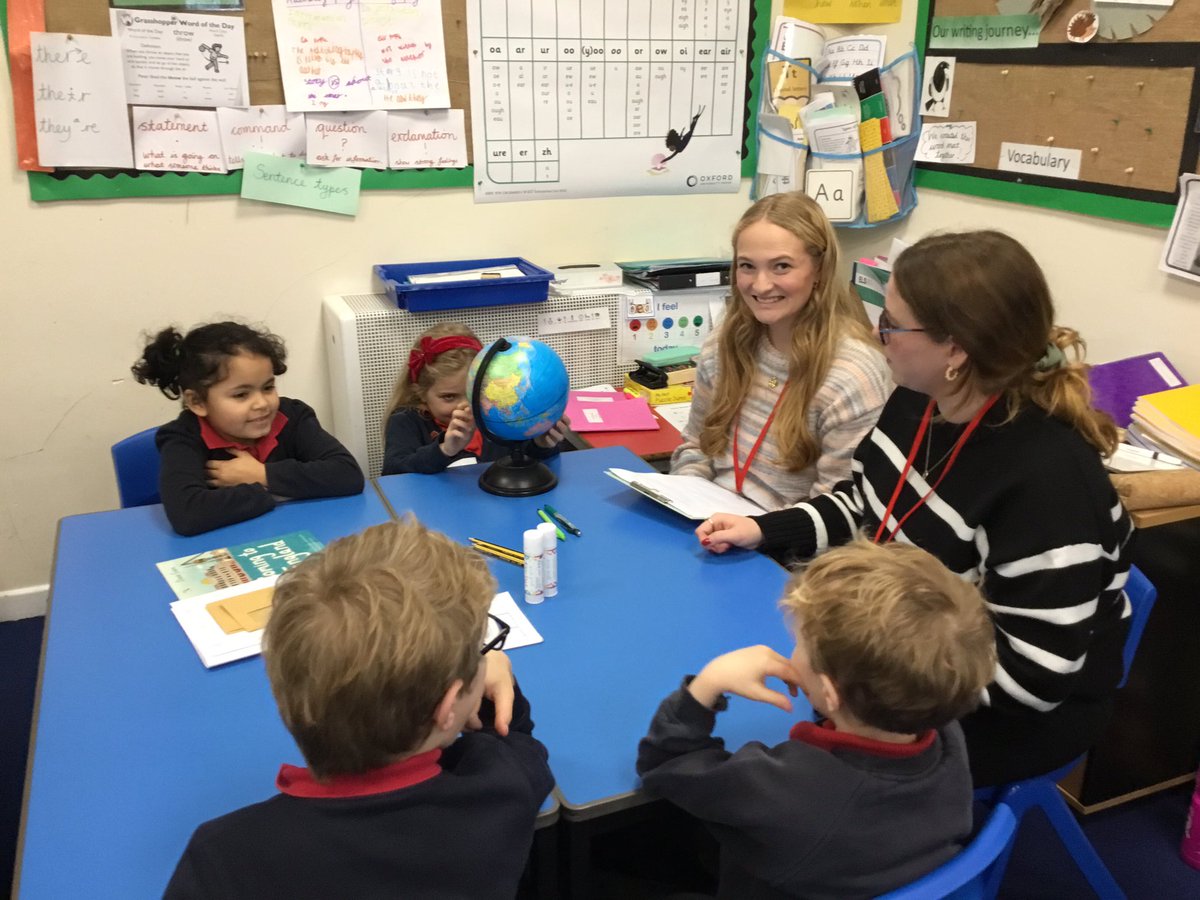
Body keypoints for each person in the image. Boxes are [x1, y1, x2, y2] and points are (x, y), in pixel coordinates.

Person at [697, 230, 1134, 787]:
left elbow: (1035, 679)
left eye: (892, 326)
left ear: (955, 349)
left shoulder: (1048, 482)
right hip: (901, 652)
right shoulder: (916, 399)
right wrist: (764, 529)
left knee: (772, 774)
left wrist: (864, 669)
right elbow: (864, 506)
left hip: (997, 713)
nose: (880, 339)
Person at [164, 518, 554, 899]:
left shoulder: (221, 860)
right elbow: (518, 743)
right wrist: (495, 679)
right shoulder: (500, 790)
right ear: (448, 707)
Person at [637, 539, 996, 898]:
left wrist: (709, 683)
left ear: (828, 692)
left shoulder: (785, 790)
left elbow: (667, 763)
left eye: (801, 644)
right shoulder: (946, 735)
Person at [671, 192, 890, 513]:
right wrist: (689, 501)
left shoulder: (852, 375)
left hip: (788, 552)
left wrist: (757, 535)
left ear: (819, 270)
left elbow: (839, 512)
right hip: (710, 528)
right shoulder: (725, 343)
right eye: (747, 266)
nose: (760, 285)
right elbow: (695, 446)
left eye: (781, 267)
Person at [132, 321, 363, 536]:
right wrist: (269, 491)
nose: (262, 403)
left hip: (291, 537)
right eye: (241, 395)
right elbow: (187, 513)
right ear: (198, 403)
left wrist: (262, 475)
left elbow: (348, 474)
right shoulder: (183, 437)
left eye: (268, 387)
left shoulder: (292, 416)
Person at [382, 322, 568, 475]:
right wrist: (445, 449)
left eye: (473, 393)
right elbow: (393, 474)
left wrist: (542, 444)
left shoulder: (499, 415)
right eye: (448, 397)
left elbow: (526, 460)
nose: (464, 406)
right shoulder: (406, 420)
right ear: (420, 393)